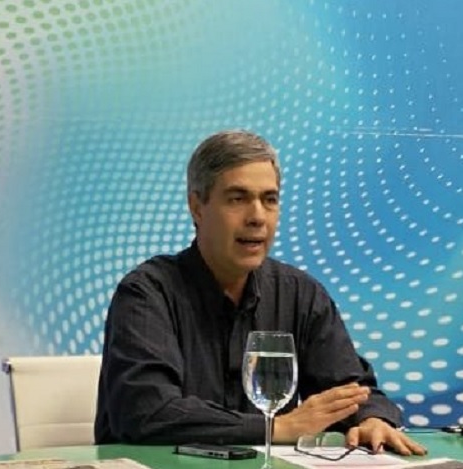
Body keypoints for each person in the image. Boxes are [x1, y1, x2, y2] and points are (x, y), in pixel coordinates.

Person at [95, 130, 426, 455]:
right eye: (237, 199)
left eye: (269, 200)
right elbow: (146, 412)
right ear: (197, 207)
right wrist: (277, 429)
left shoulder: (300, 294)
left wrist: (372, 419)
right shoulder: (147, 293)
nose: (257, 217)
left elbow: (352, 391)